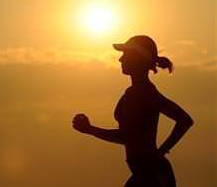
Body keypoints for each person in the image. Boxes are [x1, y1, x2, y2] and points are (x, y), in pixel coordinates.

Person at [72, 35, 194, 187]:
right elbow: (185, 120)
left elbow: (127, 136)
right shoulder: (146, 92)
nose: (120, 60)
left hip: (151, 175)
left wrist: (90, 130)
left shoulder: (141, 93)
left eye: (125, 54)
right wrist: (161, 152)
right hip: (151, 172)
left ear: (138, 58)